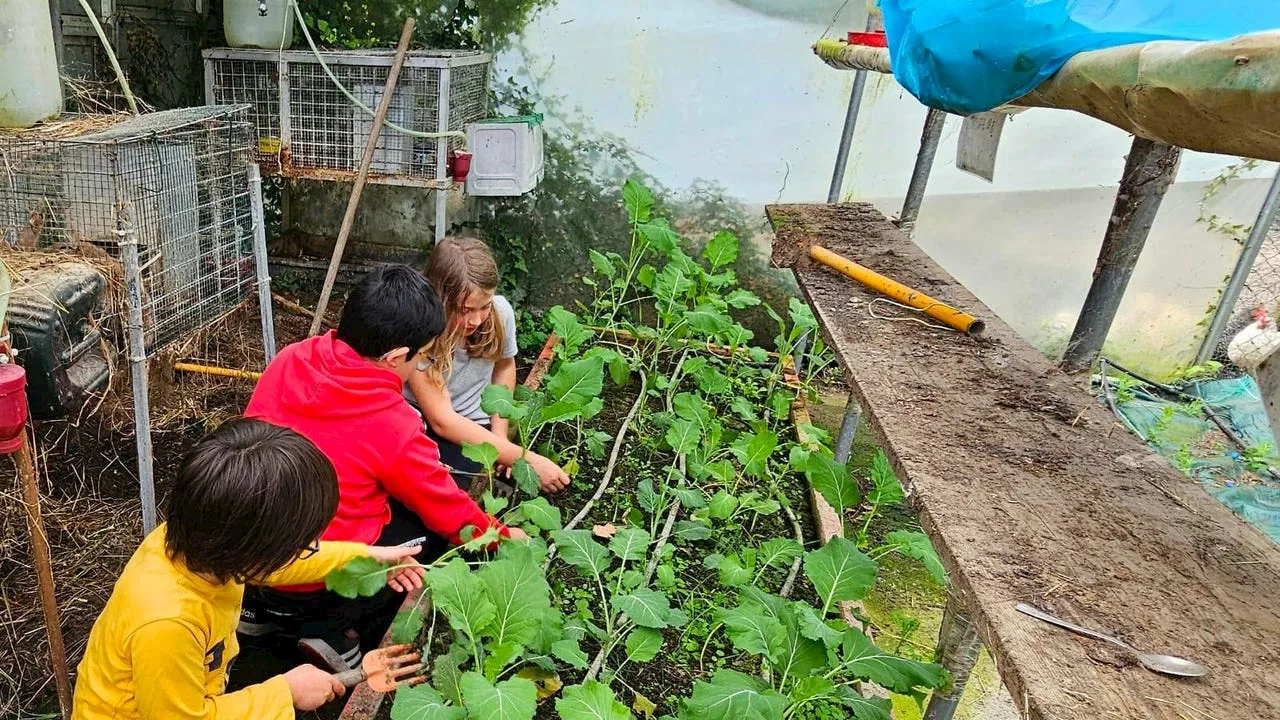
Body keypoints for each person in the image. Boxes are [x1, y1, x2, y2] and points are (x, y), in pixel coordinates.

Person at [241, 264, 524, 669]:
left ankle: (256, 612)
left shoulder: (293, 358)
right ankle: (333, 631)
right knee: (421, 532)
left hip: (246, 554)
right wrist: (499, 536)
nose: (424, 367)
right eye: (424, 358)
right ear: (394, 358)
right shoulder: (392, 422)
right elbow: (447, 508)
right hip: (315, 578)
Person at [72, 418, 425, 720]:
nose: (308, 550)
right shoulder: (168, 624)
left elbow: (280, 564)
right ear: (255, 548)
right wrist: (283, 693)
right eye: (301, 544)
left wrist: (366, 559)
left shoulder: (199, 541)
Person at [406, 236, 569, 494]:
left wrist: (500, 437)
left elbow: (504, 367)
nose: (477, 319)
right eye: (464, 309)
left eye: (484, 306)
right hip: (422, 422)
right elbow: (442, 421)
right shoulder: (420, 329)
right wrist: (524, 458)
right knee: (435, 491)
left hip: (474, 421)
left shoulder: (500, 312)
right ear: (440, 296)